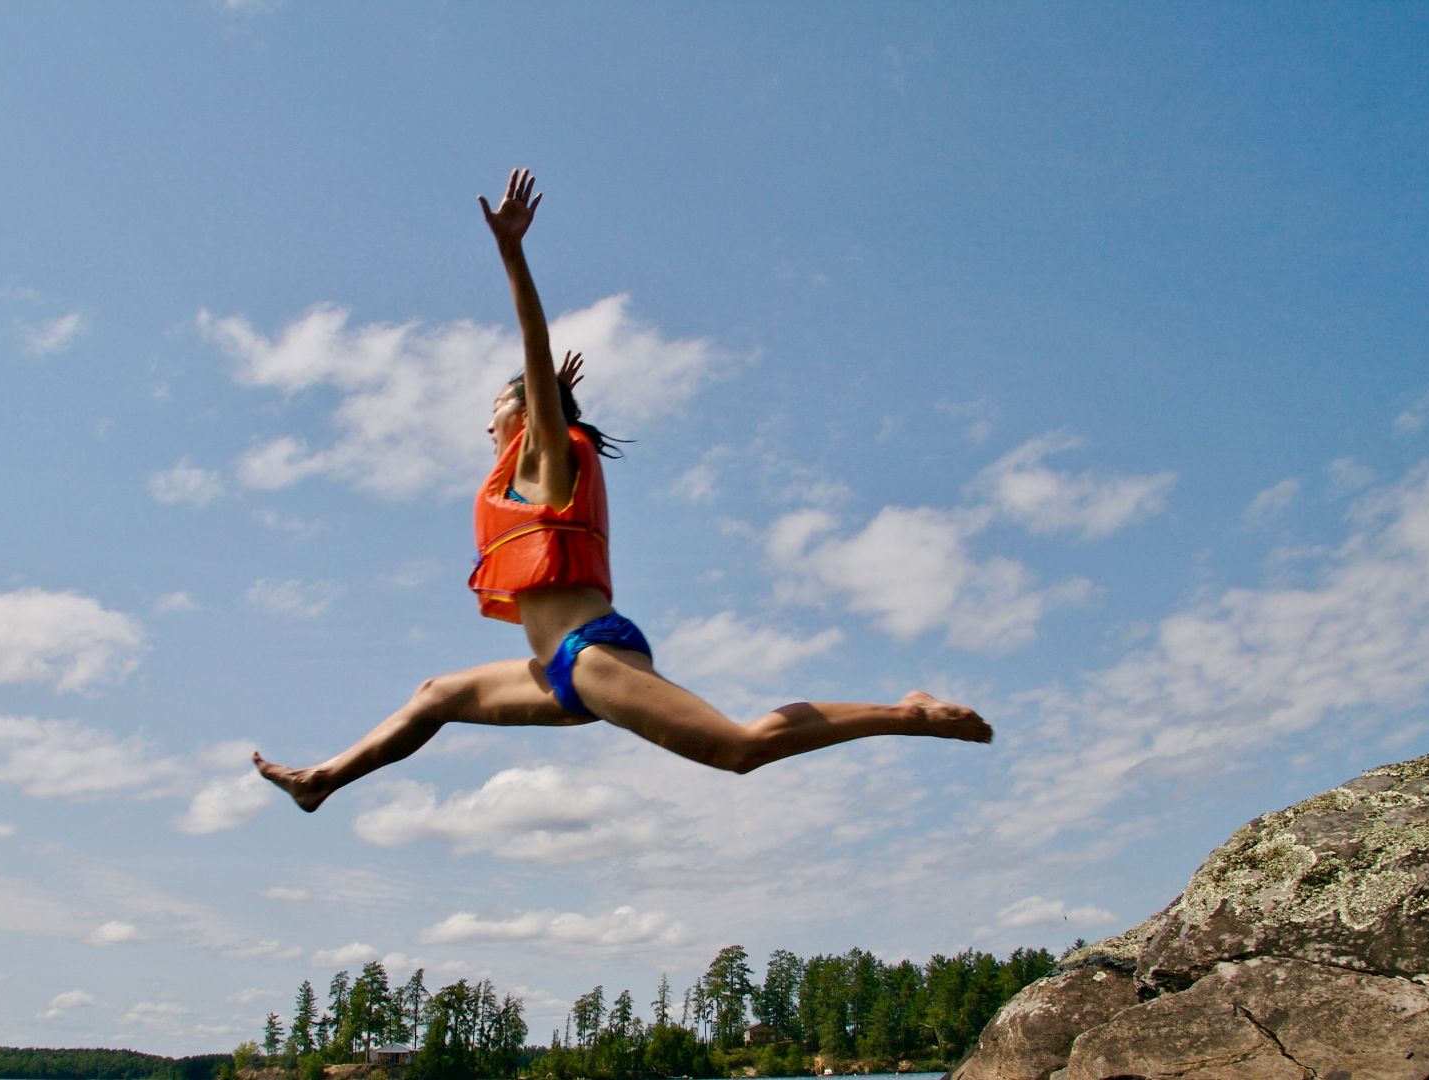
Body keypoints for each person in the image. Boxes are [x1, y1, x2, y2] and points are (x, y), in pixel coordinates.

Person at [254, 168, 989, 813]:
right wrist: (554, 396)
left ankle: (909, 713)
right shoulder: (534, 457)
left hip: (588, 655)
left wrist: (513, 254)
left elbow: (532, 352)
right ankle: (322, 780)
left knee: (739, 748)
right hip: (553, 672)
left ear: (524, 411)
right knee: (436, 695)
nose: (485, 422)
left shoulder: (544, 447)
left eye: (495, 408)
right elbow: (538, 392)